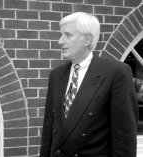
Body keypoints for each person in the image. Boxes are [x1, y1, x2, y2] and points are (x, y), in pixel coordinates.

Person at [40, 12, 138, 157]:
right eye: (61, 35)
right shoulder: (56, 75)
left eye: (67, 35)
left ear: (87, 39)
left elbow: (124, 138)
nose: (60, 41)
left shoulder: (116, 73)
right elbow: (49, 131)